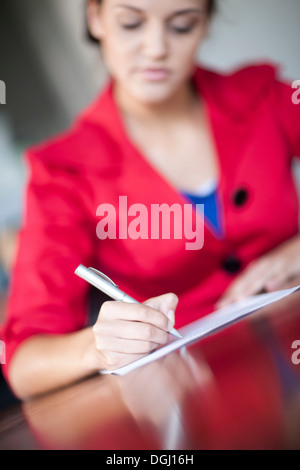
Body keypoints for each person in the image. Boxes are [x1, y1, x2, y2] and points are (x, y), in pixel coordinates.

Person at [1, 0, 300, 400]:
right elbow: (24, 365)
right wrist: (97, 347)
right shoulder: (62, 172)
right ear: (95, 18)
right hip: (201, 399)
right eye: (131, 23)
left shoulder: (265, 96)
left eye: (181, 26)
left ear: (206, 23)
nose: (156, 47)